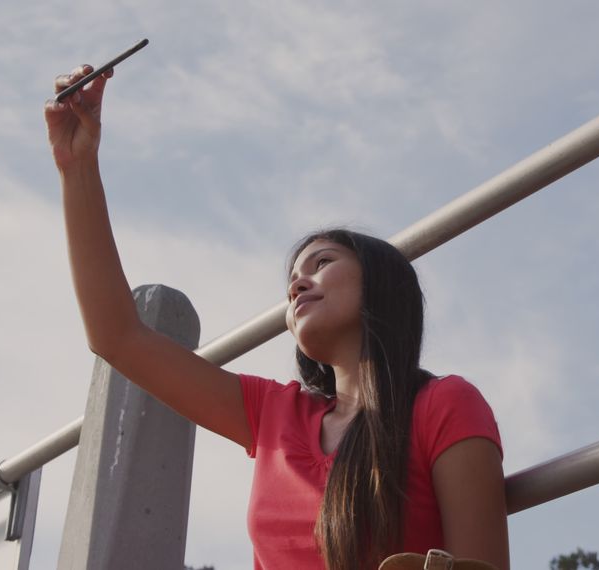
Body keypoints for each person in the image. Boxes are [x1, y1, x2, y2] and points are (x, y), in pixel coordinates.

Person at [44, 64, 510, 570]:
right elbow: (118, 337)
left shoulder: (446, 406)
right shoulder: (273, 415)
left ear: (381, 285)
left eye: (323, 263)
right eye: (293, 277)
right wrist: (77, 167)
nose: (298, 283)